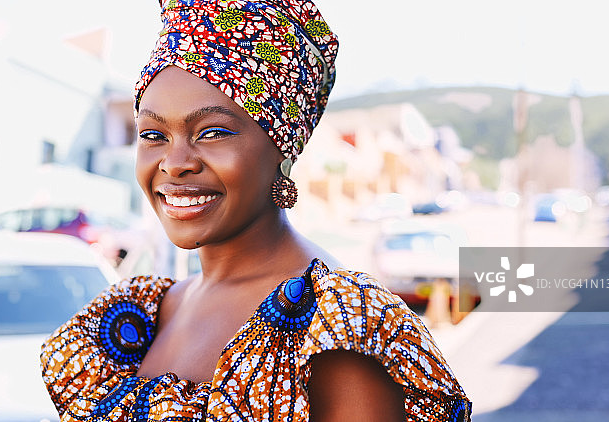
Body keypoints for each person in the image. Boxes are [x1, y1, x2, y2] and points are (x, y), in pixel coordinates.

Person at [40, 0, 471, 420]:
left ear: (282, 146)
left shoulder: (337, 329)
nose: (174, 162)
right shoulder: (145, 313)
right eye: (153, 134)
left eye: (211, 132)